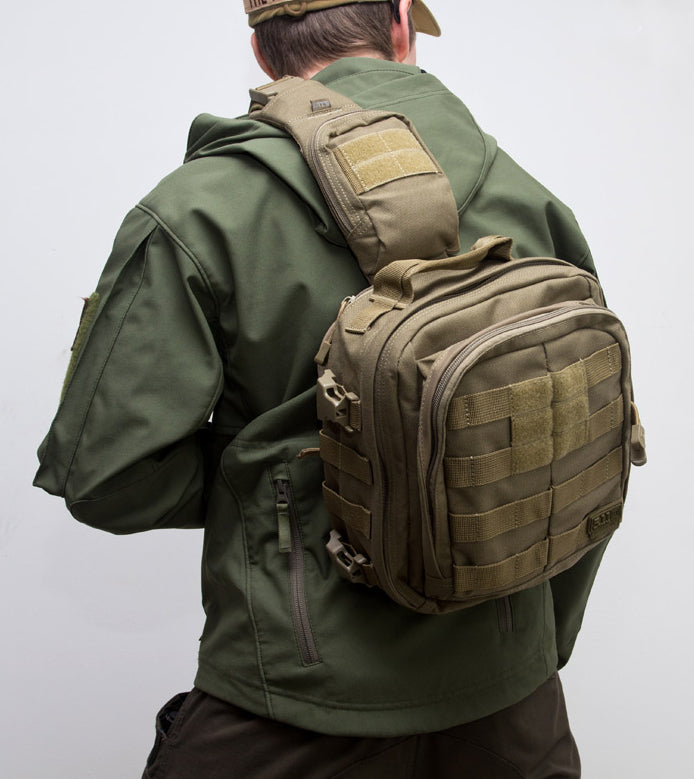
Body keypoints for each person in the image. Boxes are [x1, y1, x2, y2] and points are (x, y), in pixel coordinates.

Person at [34, 1, 605, 776]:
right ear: (400, 24)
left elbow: (101, 474)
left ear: (262, 52)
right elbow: (586, 449)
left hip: (293, 701)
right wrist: (532, 652)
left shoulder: (197, 211)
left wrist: (270, 484)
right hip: (514, 714)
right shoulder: (528, 198)